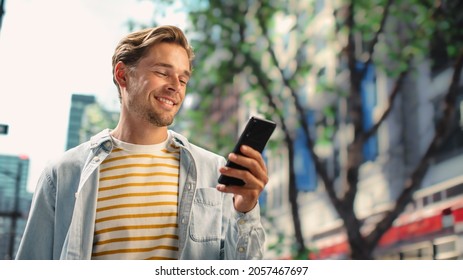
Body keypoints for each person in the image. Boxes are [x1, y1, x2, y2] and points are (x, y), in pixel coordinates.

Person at [16, 25, 268, 260]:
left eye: (183, 79)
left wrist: (246, 209)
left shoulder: (214, 169)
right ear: (122, 75)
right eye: (162, 73)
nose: (175, 87)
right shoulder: (62, 173)